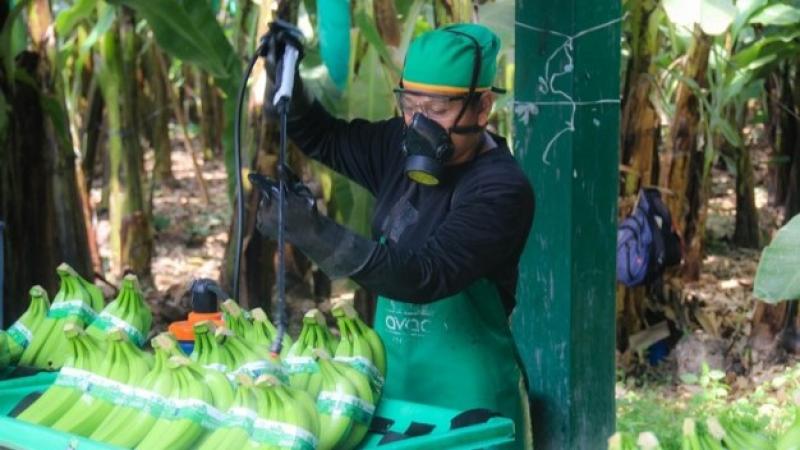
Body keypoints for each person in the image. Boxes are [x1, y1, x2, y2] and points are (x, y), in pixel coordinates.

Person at [252, 21, 534, 449]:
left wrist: (315, 232)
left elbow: (425, 276)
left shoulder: (500, 188)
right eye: (409, 104)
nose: (418, 124)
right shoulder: (397, 145)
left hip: (470, 401)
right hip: (394, 384)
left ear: (482, 108)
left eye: (437, 110)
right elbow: (325, 138)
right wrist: (284, 74)